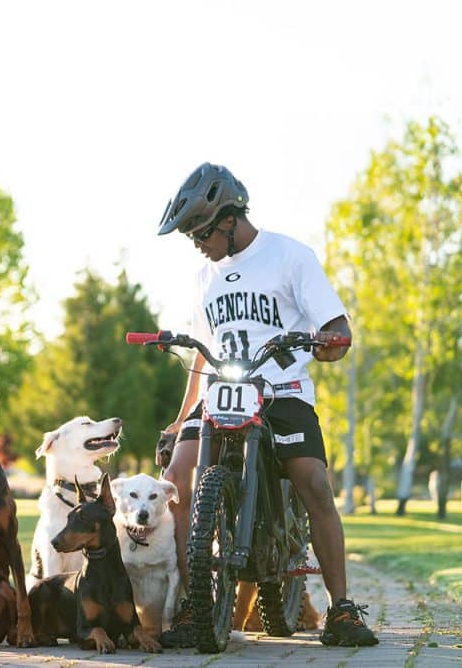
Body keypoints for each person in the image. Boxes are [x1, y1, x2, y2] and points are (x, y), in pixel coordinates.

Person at [154, 162, 379, 648]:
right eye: (191, 234)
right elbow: (200, 350)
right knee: (175, 478)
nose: (197, 242)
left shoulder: (290, 256)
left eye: (202, 231)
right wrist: (179, 421)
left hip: (282, 391)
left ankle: (341, 609)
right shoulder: (202, 276)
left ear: (231, 219)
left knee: (315, 484)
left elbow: (338, 326)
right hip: (220, 391)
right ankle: (195, 605)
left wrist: (331, 342)